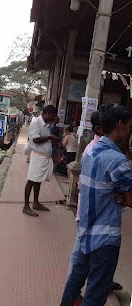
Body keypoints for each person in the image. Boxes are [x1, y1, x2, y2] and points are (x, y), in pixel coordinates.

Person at [61, 104, 132, 306]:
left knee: (75, 281)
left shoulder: (91, 152)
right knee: (95, 293)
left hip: (86, 231)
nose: (129, 132)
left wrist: (120, 194)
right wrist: (121, 195)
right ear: (119, 125)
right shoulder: (117, 160)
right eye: (128, 126)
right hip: (105, 239)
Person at [25, 105, 60, 216]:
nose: (53, 118)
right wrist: (50, 137)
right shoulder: (36, 122)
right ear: (48, 113)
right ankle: (26, 206)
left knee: (38, 180)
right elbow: (35, 139)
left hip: (43, 157)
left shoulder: (46, 125)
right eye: (52, 116)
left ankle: (35, 202)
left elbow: (44, 138)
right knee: (31, 180)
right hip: (37, 157)